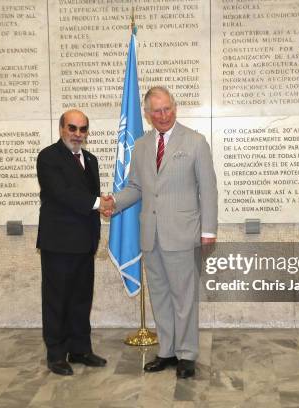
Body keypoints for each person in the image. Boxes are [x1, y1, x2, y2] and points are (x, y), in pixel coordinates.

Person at [111, 86, 218, 378]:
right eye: (156, 111)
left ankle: (187, 355)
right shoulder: (143, 146)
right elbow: (135, 187)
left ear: (175, 107)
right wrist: (113, 203)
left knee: (184, 298)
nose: (162, 115)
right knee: (159, 296)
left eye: (167, 108)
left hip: (183, 235)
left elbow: (207, 189)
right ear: (147, 115)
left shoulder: (195, 142)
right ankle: (167, 351)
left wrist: (208, 230)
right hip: (151, 235)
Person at [36, 109, 112, 376]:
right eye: (72, 128)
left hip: (84, 242)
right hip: (58, 243)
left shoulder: (90, 159)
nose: (77, 134)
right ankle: (56, 353)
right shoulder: (48, 157)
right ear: (61, 128)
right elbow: (61, 193)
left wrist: (103, 204)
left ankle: (80, 349)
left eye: (83, 129)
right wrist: (97, 203)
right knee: (57, 299)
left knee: (81, 298)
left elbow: (89, 197)